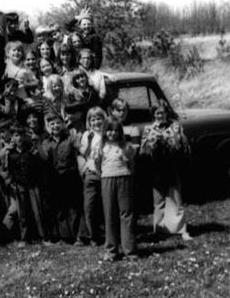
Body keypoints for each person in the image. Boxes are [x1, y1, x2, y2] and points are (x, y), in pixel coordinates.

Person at [140, 103, 192, 241]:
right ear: (153, 114)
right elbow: (143, 149)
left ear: (167, 113)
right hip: (156, 169)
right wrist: (152, 142)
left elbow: (183, 146)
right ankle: (160, 229)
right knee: (159, 201)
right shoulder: (148, 129)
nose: (160, 116)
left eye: (162, 113)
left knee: (176, 198)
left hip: (172, 167)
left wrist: (172, 140)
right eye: (157, 113)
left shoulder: (176, 127)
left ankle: (181, 229)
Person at [38, 112, 84, 244]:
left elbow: (81, 150)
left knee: (74, 208)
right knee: (60, 209)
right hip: (56, 179)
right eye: (52, 124)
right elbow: (44, 159)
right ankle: (65, 237)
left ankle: (78, 236)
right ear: (48, 126)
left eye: (58, 122)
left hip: (71, 176)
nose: (55, 126)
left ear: (63, 124)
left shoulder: (70, 138)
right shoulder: (46, 142)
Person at [96, 119, 137, 261]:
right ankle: (111, 251)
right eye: (109, 130)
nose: (112, 133)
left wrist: (128, 175)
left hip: (124, 178)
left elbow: (132, 164)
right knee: (109, 214)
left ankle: (129, 250)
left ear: (120, 132)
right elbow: (97, 165)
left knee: (126, 214)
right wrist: (104, 175)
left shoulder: (126, 146)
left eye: (116, 130)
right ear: (104, 131)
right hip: (107, 179)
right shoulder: (101, 147)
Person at [79, 107, 107, 246]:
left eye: (98, 118)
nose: (96, 122)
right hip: (91, 173)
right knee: (89, 206)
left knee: (106, 205)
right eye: (93, 119)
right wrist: (90, 142)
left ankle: (109, 233)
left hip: (107, 172)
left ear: (104, 119)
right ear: (89, 121)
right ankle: (93, 235)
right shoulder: (87, 135)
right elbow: (84, 153)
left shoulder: (108, 132)